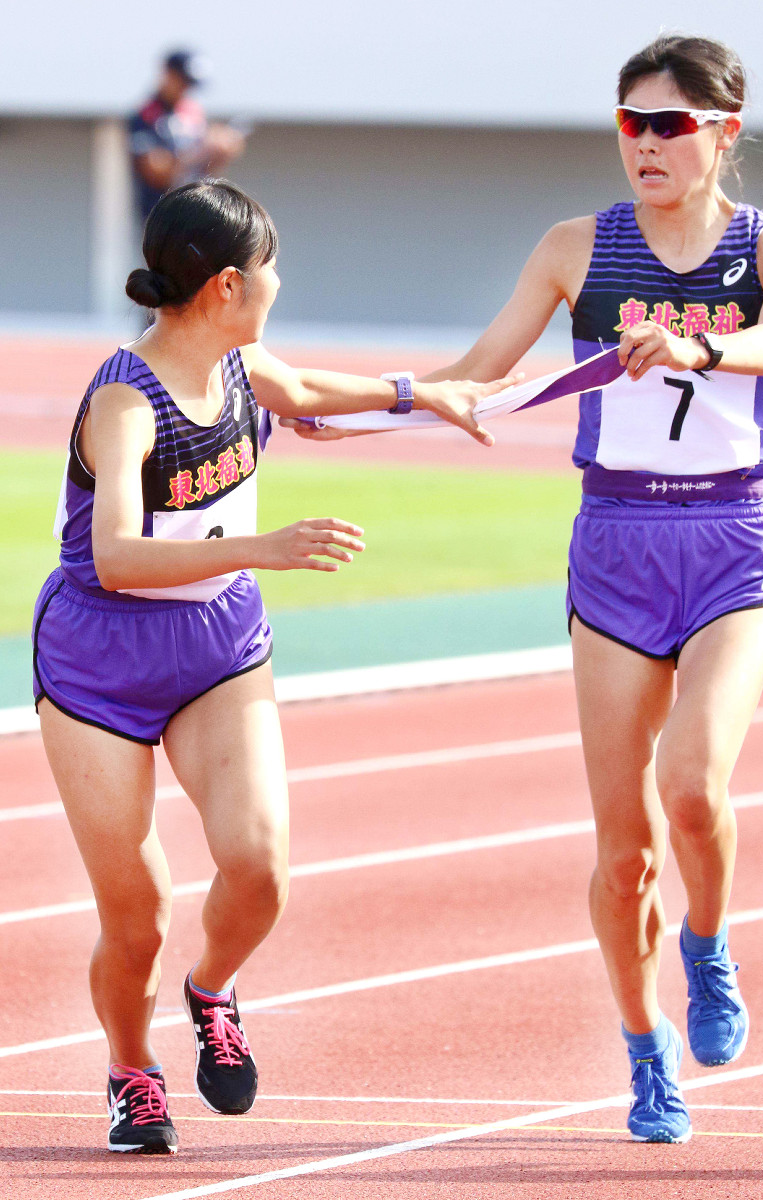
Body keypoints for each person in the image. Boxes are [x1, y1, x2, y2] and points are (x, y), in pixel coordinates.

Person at [293, 34, 763, 1143]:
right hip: (616, 543)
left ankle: (709, 945)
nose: (645, 144)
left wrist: (694, 349)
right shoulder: (575, 247)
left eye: (669, 124)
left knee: (692, 782)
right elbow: (477, 377)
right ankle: (645, 1054)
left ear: (723, 132)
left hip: (730, 540)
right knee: (623, 848)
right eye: (629, 122)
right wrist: (347, 405)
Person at [32, 179, 514, 1155]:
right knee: (135, 920)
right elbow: (117, 555)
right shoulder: (128, 400)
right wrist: (263, 546)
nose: (280, 281)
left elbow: (298, 391)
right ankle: (132, 1069)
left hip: (213, 643)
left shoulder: (238, 358)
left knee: (258, 869)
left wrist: (425, 394)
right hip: (99, 660)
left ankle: (212, 991)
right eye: (270, 268)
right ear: (222, 288)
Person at [129, 50, 246, 224]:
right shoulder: (146, 115)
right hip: (163, 216)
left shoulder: (193, 113)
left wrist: (221, 150)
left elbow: (207, 172)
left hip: (196, 210)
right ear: (168, 75)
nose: (187, 90)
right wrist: (200, 152)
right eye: (184, 82)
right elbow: (154, 171)